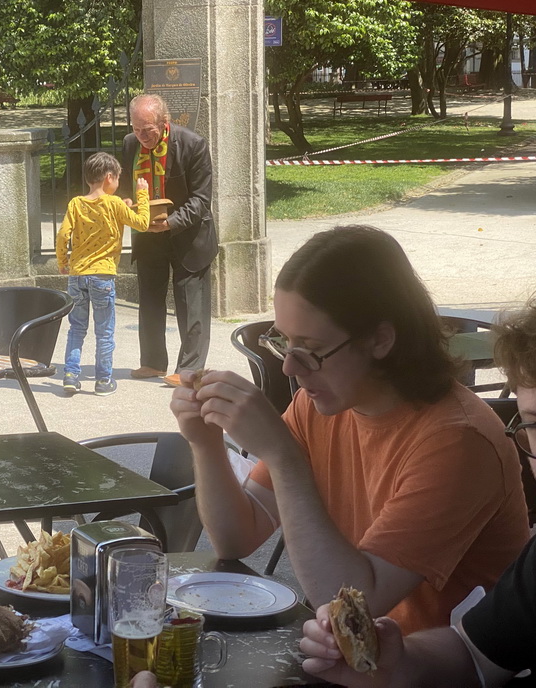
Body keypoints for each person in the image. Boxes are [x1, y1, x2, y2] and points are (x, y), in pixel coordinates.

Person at [170, 225, 529, 635]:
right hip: (355, 661)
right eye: (283, 341)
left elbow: (353, 606)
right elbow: (236, 539)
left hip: (436, 669)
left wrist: (283, 457)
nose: (289, 366)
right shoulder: (321, 402)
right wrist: (206, 443)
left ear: (380, 340)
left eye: (311, 349)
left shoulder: (457, 439)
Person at [299, 294, 536, 688]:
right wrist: (400, 661)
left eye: (314, 349)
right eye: (534, 424)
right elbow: (475, 652)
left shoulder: (458, 437)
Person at [122, 93, 217, 385]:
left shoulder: (193, 145)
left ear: (165, 122)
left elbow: (201, 200)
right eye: (136, 129)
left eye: (147, 129)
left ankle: (188, 370)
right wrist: (125, 201)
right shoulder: (130, 144)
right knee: (150, 300)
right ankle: (152, 362)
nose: (141, 136)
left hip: (188, 235)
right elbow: (126, 183)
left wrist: (171, 222)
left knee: (191, 304)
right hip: (147, 233)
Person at [56, 152, 150, 397]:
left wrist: (62, 262)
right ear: (109, 177)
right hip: (103, 276)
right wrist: (142, 194)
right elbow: (142, 222)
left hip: (77, 275)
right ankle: (103, 380)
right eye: (118, 178)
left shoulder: (76, 203)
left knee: (76, 328)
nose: (118, 183)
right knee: (104, 331)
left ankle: (70, 375)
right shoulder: (115, 203)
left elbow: (63, 235)